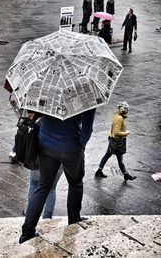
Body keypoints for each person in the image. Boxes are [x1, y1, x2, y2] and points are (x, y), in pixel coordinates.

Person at [19, 108, 96, 244]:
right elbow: (87, 129)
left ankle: (27, 232)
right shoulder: (87, 96)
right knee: (75, 183)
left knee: (43, 186)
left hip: (46, 144)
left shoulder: (49, 89)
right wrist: (80, 145)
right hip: (71, 147)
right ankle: (73, 220)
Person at [16, 111, 63, 219]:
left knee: (34, 183)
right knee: (51, 188)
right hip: (59, 159)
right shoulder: (65, 121)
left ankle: (29, 211)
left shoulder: (38, 122)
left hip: (39, 159)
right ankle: (47, 216)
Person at [95, 102, 137, 181]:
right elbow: (117, 132)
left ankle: (99, 171)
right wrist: (126, 133)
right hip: (117, 142)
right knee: (120, 160)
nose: (128, 111)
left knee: (107, 155)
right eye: (127, 109)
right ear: (123, 110)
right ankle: (126, 175)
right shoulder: (119, 118)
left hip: (113, 139)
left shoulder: (118, 116)